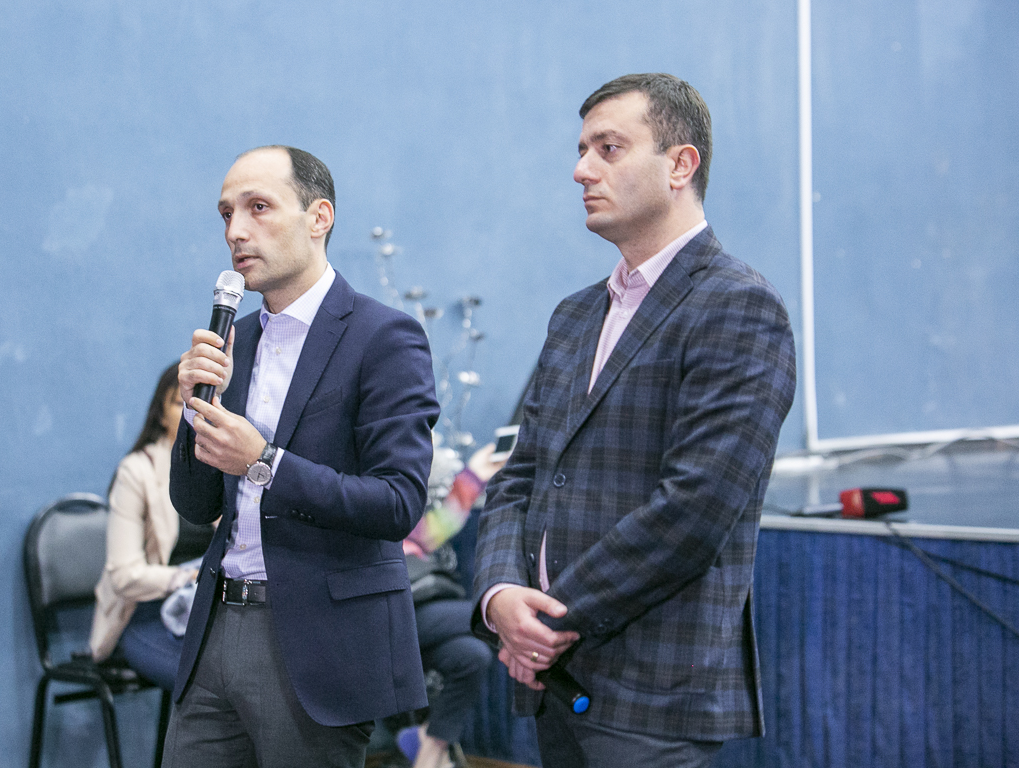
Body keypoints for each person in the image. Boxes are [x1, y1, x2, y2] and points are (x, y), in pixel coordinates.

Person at [471, 73, 797, 768]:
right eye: (582, 150)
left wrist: (548, 620)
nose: (581, 170)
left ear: (680, 164)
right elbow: (520, 475)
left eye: (609, 148)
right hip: (556, 683)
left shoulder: (737, 306)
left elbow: (696, 508)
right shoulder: (574, 316)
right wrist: (500, 597)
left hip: (653, 693)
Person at [163, 145, 440, 768]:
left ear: (319, 217)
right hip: (216, 626)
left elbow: (397, 502)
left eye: (258, 207)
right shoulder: (236, 338)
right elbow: (195, 505)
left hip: (316, 643)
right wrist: (193, 409)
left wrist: (264, 463)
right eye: (226, 214)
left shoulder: (383, 336)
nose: (236, 231)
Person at [88, 362, 214, 691]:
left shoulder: (219, 469)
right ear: (160, 414)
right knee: (211, 687)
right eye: (181, 403)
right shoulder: (136, 471)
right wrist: (188, 577)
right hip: (144, 617)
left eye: (203, 403)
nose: (193, 413)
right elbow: (124, 575)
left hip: (202, 613)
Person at [397, 442, 502, 768]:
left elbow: (437, 528)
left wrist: (475, 475)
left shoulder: (408, 528)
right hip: (390, 610)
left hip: (424, 602)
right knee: (494, 614)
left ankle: (429, 747)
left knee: (472, 656)